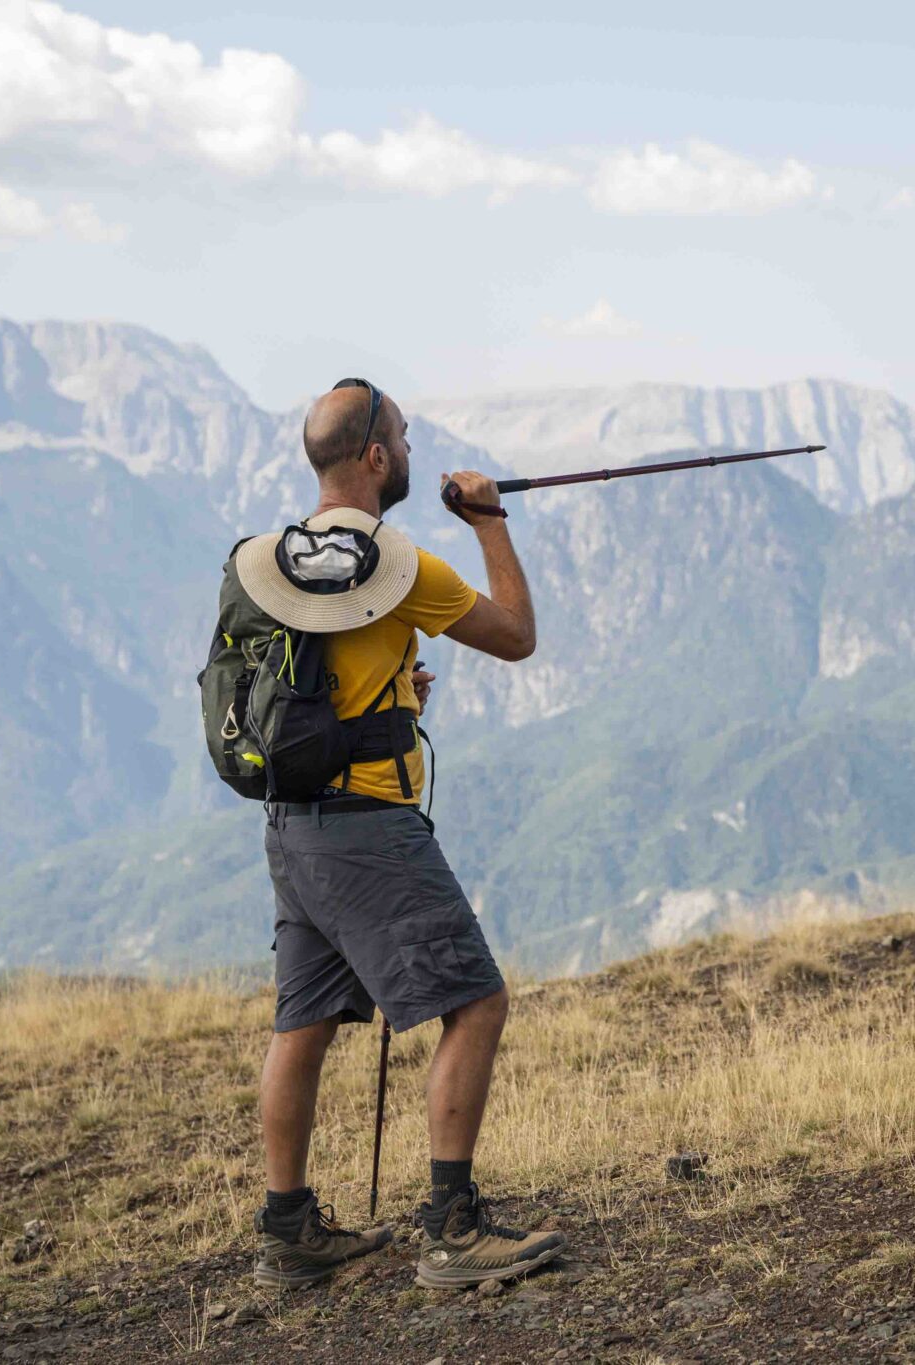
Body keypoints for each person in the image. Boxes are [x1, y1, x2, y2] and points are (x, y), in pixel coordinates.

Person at [238, 377, 565, 1290]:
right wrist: (492, 523)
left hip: (292, 830)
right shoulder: (397, 565)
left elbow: (311, 680)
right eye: (409, 439)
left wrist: (391, 698)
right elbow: (516, 635)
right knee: (478, 1002)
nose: (416, 454)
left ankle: (288, 1230)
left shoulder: (268, 563)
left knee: (301, 1022)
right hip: (370, 831)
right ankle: (453, 1232)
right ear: (377, 458)